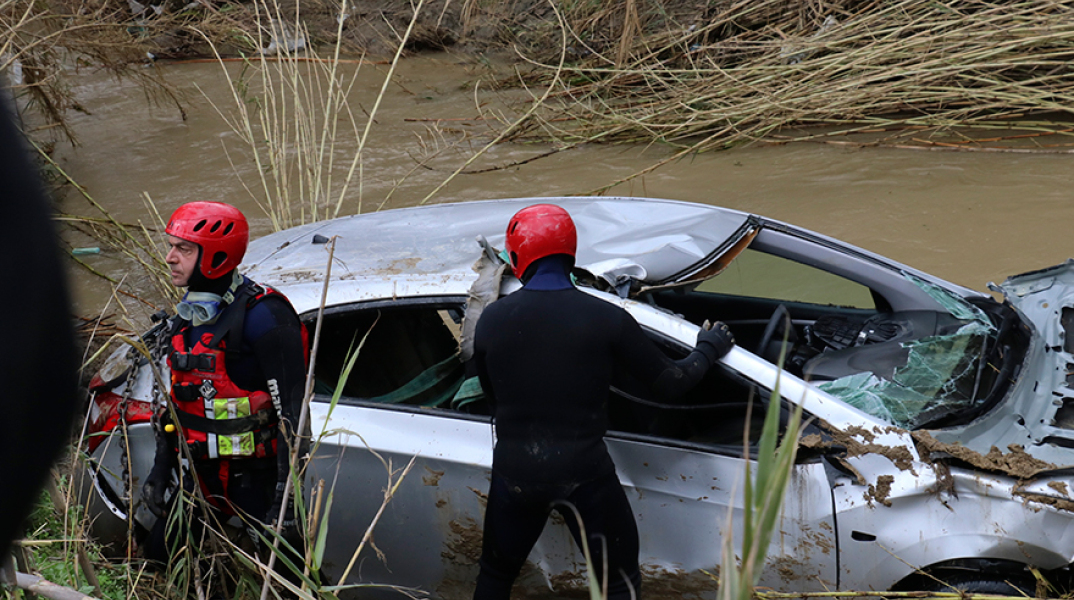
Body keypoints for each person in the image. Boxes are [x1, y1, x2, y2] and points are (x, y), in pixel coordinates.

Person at [471, 204, 735, 600]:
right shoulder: (607, 318)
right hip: (585, 474)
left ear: (517, 256)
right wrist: (710, 348)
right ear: (570, 252)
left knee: (494, 578)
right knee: (617, 586)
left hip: (515, 474)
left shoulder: (491, 320)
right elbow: (672, 383)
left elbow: (491, 394)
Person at [141, 201, 308, 585]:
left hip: (257, 482)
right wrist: (162, 466)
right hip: (202, 479)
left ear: (217, 256)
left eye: (184, 249)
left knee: (285, 581)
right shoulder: (189, 314)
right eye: (171, 246)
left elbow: (294, 417)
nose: (169, 258)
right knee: (161, 557)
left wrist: (286, 503)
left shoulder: (266, 317)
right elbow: (179, 403)